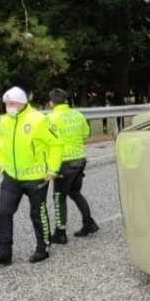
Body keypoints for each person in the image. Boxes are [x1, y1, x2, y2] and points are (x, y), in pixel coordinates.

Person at [0, 87, 63, 269]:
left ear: (21, 103)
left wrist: (52, 169)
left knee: (37, 213)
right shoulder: (4, 121)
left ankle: (42, 248)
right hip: (11, 176)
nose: (7, 107)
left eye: (11, 104)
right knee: (4, 212)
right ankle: (3, 253)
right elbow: (1, 145)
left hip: (36, 177)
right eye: (6, 104)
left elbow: (56, 144)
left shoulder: (39, 119)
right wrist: (2, 165)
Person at [47, 88, 98, 243]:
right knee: (75, 193)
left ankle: (60, 233)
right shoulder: (77, 114)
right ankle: (88, 223)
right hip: (80, 160)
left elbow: (48, 140)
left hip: (64, 162)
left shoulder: (50, 118)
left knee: (59, 197)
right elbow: (86, 134)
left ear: (52, 103)